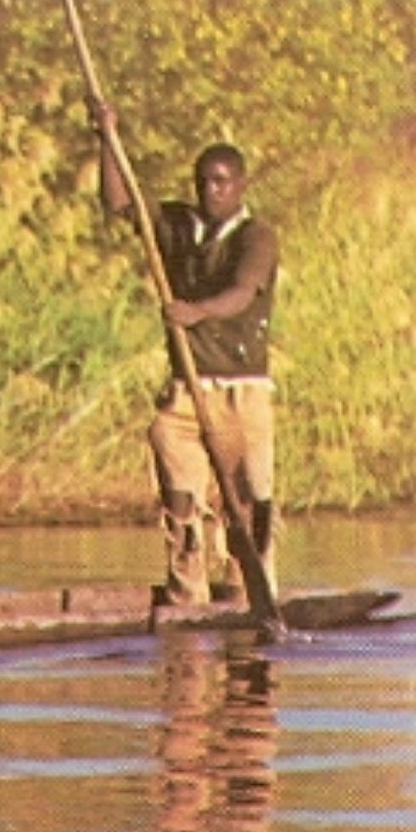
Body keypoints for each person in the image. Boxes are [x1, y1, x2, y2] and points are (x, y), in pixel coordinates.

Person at [92, 102, 279, 606]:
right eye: (203, 181)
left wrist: (196, 312)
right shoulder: (176, 224)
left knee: (245, 497)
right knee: (179, 491)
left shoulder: (256, 237)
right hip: (186, 389)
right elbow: (119, 203)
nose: (211, 191)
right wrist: (107, 139)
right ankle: (187, 592)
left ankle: (250, 590)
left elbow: (242, 293)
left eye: (221, 182)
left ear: (240, 185)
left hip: (241, 389)